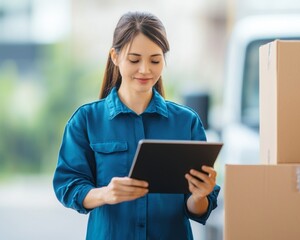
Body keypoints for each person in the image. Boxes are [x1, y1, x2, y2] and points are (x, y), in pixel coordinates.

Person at [53, 11, 220, 240]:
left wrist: (200, 196)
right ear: (115, 56)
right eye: (134, 60)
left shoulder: (186, 122)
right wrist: (105, 194)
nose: (145, 70)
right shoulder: (86, 120)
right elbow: (67, 185)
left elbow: (198, 208)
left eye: (155, 60)